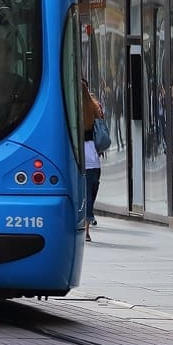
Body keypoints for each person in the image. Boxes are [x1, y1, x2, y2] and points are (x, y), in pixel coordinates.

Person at [81, 78, 104, 242]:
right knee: (91, 192)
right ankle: (87, 228)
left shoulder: (72, 107)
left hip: (77, 156)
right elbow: (102, 126)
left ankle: (81, 224)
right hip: (93, 156)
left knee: (81, 194)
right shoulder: (94, 106)